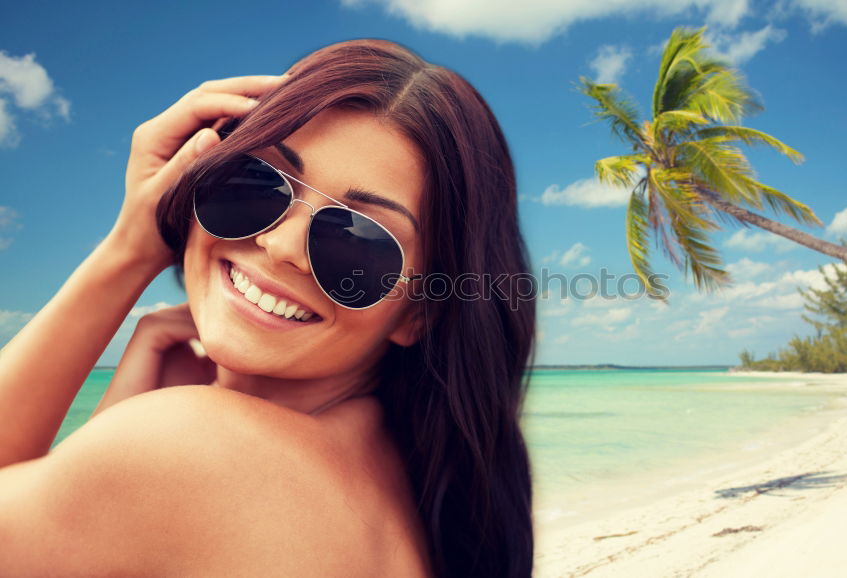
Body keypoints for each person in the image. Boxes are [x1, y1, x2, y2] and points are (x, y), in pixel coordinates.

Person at [0, 39, 535, 577]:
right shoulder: (396, 478)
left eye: (360, 240)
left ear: (422, 312)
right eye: (256, 183)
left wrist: (127, 251)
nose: (281, 247)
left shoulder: (190, 453)